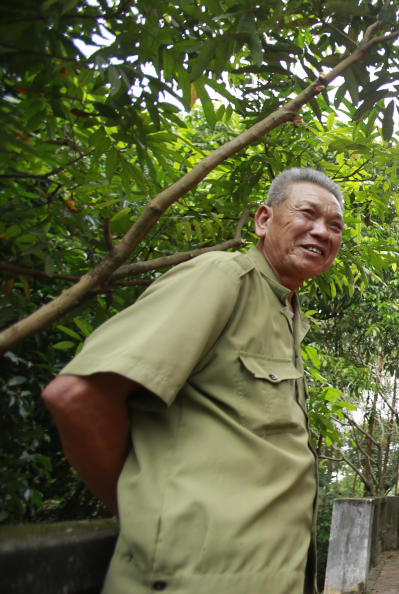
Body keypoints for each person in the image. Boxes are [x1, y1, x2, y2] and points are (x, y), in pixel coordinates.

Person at [41, 167, 344, 594]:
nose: (322, 231)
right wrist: (143, 517)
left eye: (335, 226)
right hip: (193, 578)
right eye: (307, 214)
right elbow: (77, 398)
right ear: (262, 220)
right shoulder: (222, 278)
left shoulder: (286, 314)